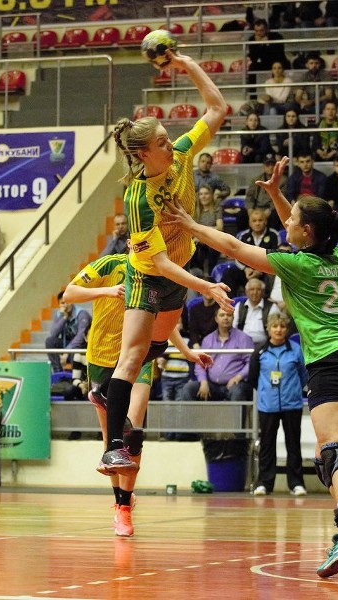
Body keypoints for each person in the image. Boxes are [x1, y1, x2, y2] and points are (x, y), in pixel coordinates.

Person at [163, 156, 338, 577]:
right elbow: (299, 227)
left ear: (306, 231)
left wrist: (190, 225)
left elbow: (233, 248)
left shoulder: (296, 265)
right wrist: (279, 194)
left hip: (331, 363)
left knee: (334, 451)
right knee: (332, 458)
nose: (286, 223)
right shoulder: (335, 254)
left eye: (292, 219)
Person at [97, 49, 233, 476]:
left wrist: (185, 63)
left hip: (178, 274)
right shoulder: (138, 199)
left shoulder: (182, 155)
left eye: (166, 136)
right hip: (148, 276)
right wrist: (205, 286)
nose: (169, 143)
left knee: (156, 348)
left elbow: (217, 109)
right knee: (134, 355)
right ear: (142, 154)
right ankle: (112, 448)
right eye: (160, 142)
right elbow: (157, 262)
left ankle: (105, 393)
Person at [64, 253, 210, 534]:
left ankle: (124, 509)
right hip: (103, 356)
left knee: (133, 431)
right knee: (111, 438)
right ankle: (120, 498)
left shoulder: (155, 273)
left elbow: (162, 324)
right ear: (131, 243)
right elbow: (70, 293)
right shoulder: (109, 265)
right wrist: (108, 291)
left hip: (139, 355)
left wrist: (186, 351)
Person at [250, 312, 309, 496]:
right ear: (268, 329)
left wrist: (293, 390)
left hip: (292, 404)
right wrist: (266, 392)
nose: (278, 330)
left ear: (287, 329)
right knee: (267, 445)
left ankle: (296, 483)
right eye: (274, 326)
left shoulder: (296, 350)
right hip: (267, 406)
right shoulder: (260, 351)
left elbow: (304, 375)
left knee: (293, 445)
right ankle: (264, 484)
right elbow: (253, 378)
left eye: (282, 326)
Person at [179, 307, 252, 406]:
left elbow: (250, 363)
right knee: (189, 389)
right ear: (216, 319)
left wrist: (237, 378)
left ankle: (236, 418)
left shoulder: (244, 338)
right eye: (222, 315)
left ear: (233, 318)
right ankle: (191, 417)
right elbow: (200, 364)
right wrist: (203, 382)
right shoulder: (208, 340)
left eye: (229, 315)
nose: (225, 317)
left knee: (237, 391)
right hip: (212, 385)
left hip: (235, 384)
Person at [45, 291, 91, 375]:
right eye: (62, 303)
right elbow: (53, 333)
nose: (65, 305)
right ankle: (58, 373)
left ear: (72, 301)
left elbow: (81, 336)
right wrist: (64, 317)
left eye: (68, 302)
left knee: (75, 351)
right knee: (50, 341)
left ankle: (76, 377)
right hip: (66, 344)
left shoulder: (82, 314)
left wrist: (67, 351)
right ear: (59, 305)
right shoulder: (60, 314)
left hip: (81, 346)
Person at [243, 154, 285, 232]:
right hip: (256, 208)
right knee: (241, 214)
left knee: (275, 215)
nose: (270, 167)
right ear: (263, 166)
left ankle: (272, 236)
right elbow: (249, 196)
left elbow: (280, 198)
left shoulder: (282, 181)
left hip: (271, 209)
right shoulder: (256, 180)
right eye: (268, 165)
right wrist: (250, 210)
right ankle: (244, 236)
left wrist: (269, 211)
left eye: (272, 165)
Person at [233, 277, 279, 346]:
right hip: (242, 344)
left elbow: (275, 329)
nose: (255, 292)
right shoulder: (239, 306)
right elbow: (234, 327)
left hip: (265, 345)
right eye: (252, 289)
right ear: (246, 292)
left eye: (258, 289)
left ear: (263, 292)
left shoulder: (272, 307)